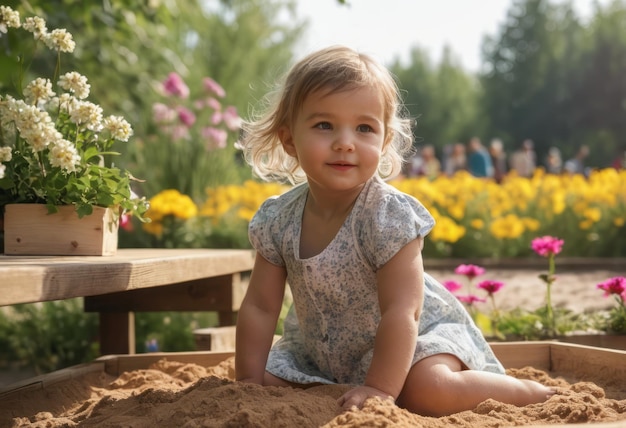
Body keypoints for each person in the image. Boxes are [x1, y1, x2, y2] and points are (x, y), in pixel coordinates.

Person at [235, 45, 553, 417]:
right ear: (290, 139)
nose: (345, 142)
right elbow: (260, 306)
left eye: (364, 128)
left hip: (416, 341)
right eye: (324, 125)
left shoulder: (386, 215)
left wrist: (381, 389)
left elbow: (404, 310)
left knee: (428, 392)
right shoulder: (279, 219)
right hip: (324, 354)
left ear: (384, 141)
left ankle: (531, 393)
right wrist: (248, 383)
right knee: (270, 378)